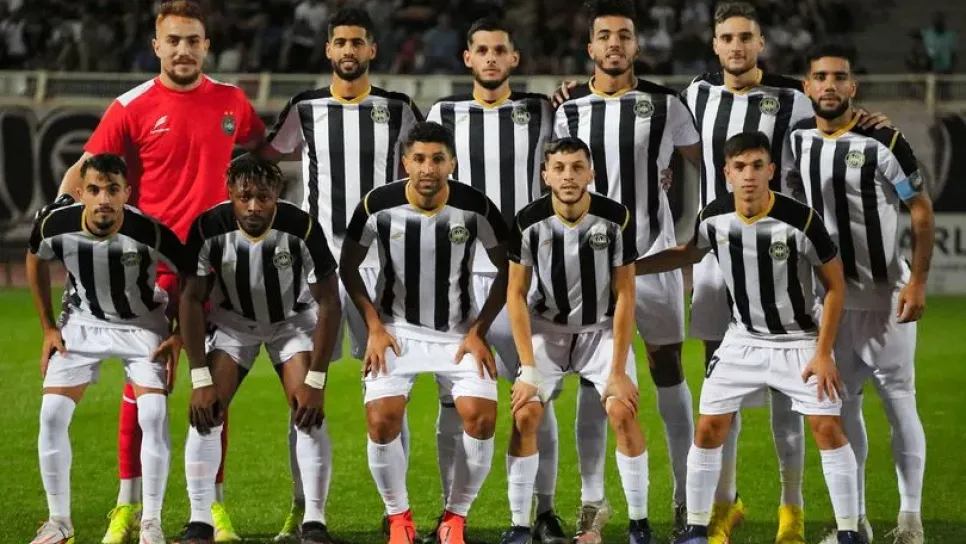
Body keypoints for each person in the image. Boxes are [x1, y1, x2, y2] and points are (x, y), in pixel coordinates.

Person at [52, 2, 267, 541]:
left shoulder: (232, 101)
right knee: (143, 386)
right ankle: (127, 508)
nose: (183, 50)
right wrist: (56, 218)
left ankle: (211, 508)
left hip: (216, 269)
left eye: (193, 40)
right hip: (149, 273)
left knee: (212, 386)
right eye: (173, 40)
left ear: (206, 45)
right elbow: (85, 171)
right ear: (156, 46)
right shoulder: (130, 107)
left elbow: (260, 150)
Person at [632, 131, 866, 544]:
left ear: (771, 170)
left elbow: (835, 287)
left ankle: (850, 532)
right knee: (708, 428)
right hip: (742, 340)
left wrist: (824, 352)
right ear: (726, 173)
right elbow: (688, 253)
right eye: (740, 167)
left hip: (799, 341)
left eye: (758, 166)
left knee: (827, 429)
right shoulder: (714, 217)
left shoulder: (801, 220)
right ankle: (697, 529)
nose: (749, 175)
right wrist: (631, 269)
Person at [260, 7, 423, 539]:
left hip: (383, 269)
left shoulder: (398, 109)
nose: (349, 50)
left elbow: (430, 164)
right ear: (328, 49)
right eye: (340, 43)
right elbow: (264, 159)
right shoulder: (305, 107)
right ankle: (305, 508)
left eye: (358, 42)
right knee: (303, 393)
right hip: (317, 270)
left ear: (372, 50)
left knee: (390, 396)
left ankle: (397, 512)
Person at [552, 0, 703, 539]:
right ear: (589, 47)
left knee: (668, 368)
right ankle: (593, 501)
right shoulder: (568, 108)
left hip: (651, 257)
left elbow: (705, 166)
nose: (614, 44)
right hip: (588, 266)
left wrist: (696, 228)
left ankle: (686, 498)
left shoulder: (666, 104)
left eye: (624, 35)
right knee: (594, 379)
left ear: (637, 46)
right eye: (604, 36)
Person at [424, 16, 563, 544]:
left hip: (526, 275)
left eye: (499, 50)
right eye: (480, 50)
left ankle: (542, 513)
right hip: (460, 278)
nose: (490, 58)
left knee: (534, 397)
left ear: (514, 58)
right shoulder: (444, 113)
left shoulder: (541, 110)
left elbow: (564, 165)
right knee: (450, 400)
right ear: (467, 58)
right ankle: (448, 516)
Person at [787, 43, 933, 544]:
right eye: (820, 77)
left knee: (900, 404)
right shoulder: (796, 139)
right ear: (807, 87)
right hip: (829, 303)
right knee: (842, 410)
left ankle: (910, 520)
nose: (829, 85)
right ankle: (858, 522)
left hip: (884, 298)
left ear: (852, 86)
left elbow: (920, 209)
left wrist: (918, 281)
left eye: (839, 77)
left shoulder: (883, 139)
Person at [340, 121, 509, 544]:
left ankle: (455, 519)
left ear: (452, 163)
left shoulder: (476, 207)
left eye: (437, 159)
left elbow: (509, 269)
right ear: (405, 163)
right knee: (382, 420)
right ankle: (399, 520)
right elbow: (348, 267)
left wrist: (479, 330)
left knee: (481, 418)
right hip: (396, 330)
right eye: (419, 159)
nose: (428, 168)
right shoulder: (377, 205)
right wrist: (374, 327)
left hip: (458, 333)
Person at [175, 156, 341, 544]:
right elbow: (190, 299)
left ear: (277, 195)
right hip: (234, 324)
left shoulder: (301, 227)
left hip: (290, 322)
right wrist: (199, 378)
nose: (253, 206)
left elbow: (329, 302)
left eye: (263, 197)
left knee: (308, 412)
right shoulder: (208, 227)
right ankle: (200, 520)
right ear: (230, 193)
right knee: (205, 412)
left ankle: (314, 522)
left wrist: (316, 381)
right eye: (244, 196)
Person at [27, 154, 185, 544]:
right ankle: (59, 523)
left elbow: (192, 272)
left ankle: (151, 523)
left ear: (126, 193)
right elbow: (35, 257)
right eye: (95, 190)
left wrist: (179, 333)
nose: (104, 199)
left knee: (153, 413)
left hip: (142, 323)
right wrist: (48, 327)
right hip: (83, 322)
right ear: (81, 193)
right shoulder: (54, 224)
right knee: (52, 414)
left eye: (113, 190)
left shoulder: (149, 231)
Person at [501, 137, 654, 544]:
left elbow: (626, 294)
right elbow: (515, 293)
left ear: (591, 174)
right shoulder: (528, 221)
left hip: (600, 331)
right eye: (560, 168)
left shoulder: (615, 218)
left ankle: (639, 524)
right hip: (548, 330)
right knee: (525, 414)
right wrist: (528, 369)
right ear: (546, 175)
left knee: (622, 411)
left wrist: (618, 371)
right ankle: (519, 526)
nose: (568, 176)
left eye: (577, 167)